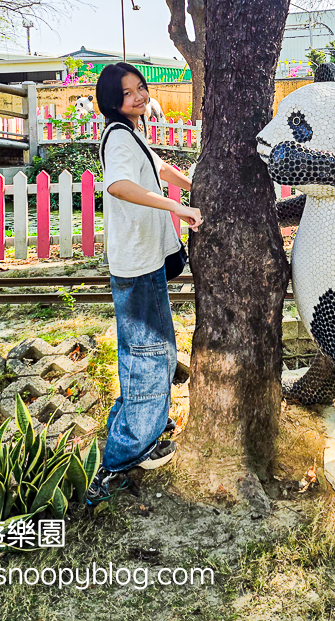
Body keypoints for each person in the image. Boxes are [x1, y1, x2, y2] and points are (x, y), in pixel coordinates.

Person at [85, 62, 202, 506]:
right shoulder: (117, 136)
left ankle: (144, 428)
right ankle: (121, 458)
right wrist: (181, 209)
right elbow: (118, 184)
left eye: (141, 88)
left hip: (144, 261)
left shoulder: (133, 133)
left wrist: (194, 187)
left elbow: (161, 169)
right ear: (113, 101)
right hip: (136, 264)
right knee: (148, 357)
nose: (138, 96)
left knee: (154, 352)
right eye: (127, 92)